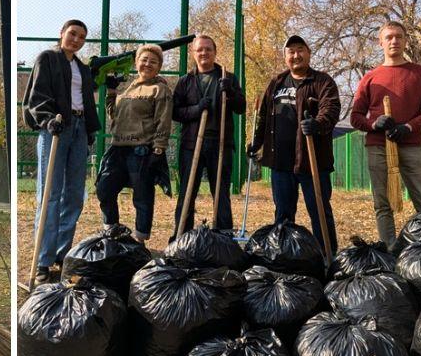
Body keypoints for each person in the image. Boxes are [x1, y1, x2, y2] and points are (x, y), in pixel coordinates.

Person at [350, 21, 421, 250]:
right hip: (379, 147)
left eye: (399, 36)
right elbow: (356, 117)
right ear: (380, 42)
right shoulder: (370, 77)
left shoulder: (420, 73)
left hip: (411, 145)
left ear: (405, 40)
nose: (394, 41)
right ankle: (390, 251)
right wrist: (374, 124)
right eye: (389, 37)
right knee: (382, 204)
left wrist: (409, 127)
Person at [22, 19, 100, 284]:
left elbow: (86, 99)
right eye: (73, 34)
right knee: (50, 195)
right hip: (56, 128)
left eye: (82, 37)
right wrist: (47, 120)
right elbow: (37, 94)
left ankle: (61, 253)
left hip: (79, 128)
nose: (76, 40)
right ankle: (43, 260)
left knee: (75, 196)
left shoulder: (82, 68)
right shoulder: (48, 58)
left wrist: (89, 128)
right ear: (62, 33)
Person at [249, 35, 340, 252]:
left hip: (312, 161)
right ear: (285, 57)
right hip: (281, 162)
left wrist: (317, 124)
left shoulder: (322, 81)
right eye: (291, 51)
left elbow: (331, 108)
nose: (296, 55)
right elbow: (264, 116)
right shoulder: (277, 83)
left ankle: (327, 255)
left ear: (309, 53)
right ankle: (284, 256)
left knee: (319, 211)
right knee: (283, 213)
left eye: (300, 50)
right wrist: (256, 142)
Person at [95, 44, 173, 243]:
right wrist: (111, 91)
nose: (147, 64)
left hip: (142, 149)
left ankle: (140, 239)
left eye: (153, 62)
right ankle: (111, 231)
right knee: (104, 189)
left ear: (159, 67)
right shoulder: (129, 87)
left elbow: (163, 120)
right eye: (144, 60)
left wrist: (158, 149)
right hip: (118, 147)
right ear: (136, 63)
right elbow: (113, 114)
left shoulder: (160, 89)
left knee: (142, 196)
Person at [172, 35, 246, 235]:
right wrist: (196, 109)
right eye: (199, 49)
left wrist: (230, 93)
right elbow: (175, 112)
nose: (204, 53)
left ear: (215, 52)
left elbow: (241, 107)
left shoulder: (228, 77)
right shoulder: (185, 81)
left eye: (208, 49)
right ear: (193, 53)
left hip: (220, 143)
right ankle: (181, 235)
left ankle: (223, 236)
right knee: (187, 192)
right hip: (191, 144)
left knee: (221, 193)